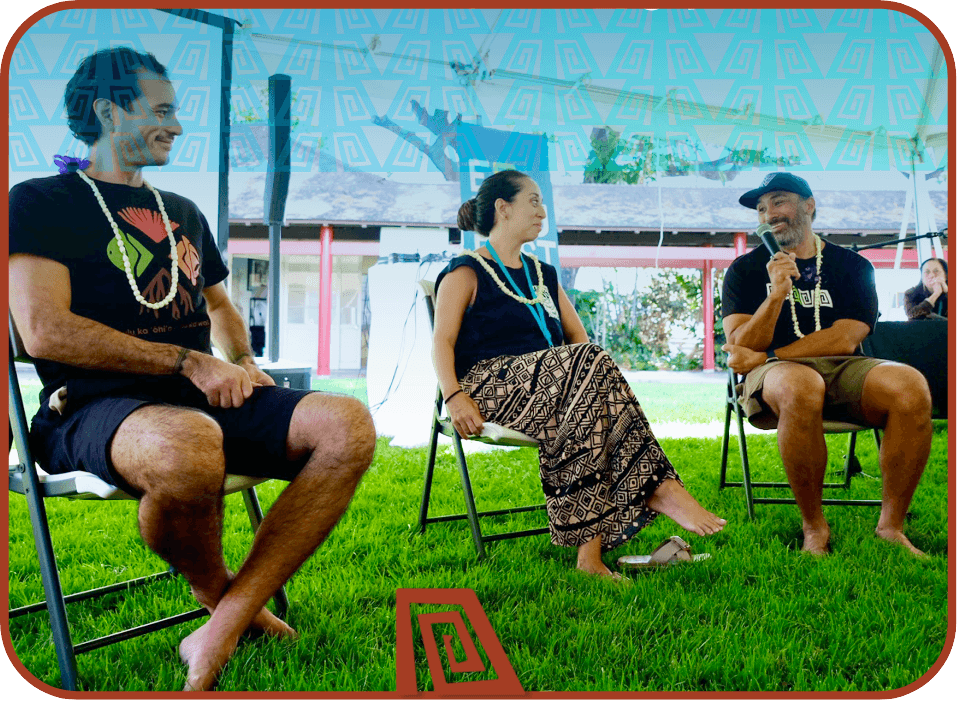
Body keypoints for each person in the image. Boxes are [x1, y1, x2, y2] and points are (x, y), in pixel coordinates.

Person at [8, 48, 376, 691]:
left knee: (346, 423)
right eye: (162, 109)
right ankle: (223, 600)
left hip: (203, 395)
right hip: (94, 404)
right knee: (188, 448)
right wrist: (189, 360)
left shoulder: (182, 208)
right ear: (107, 109)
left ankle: (226, 621)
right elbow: (45, 329)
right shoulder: (40, 202)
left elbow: (219, 303)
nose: (177, 125)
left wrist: (245, 361)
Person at [432, 170, 726, 579]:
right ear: (503, 208)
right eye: (533, 201)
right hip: (489, 387)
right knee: (587, 371)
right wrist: (453, 397)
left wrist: (575, 384)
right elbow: (442, 342)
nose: (542, 210)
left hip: (556, 391)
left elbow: (577, 338)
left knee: (586, 403)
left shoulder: (543, 275)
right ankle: (658, 487)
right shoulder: (466, 270)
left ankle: (591, 559)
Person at [721, 172, 932, 556]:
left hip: (838, 366)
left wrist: (772, 354)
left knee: (910, 384)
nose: (769, 213)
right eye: (761, 208)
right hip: (774, 378)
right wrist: (776, 296)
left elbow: (847, 336)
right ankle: (814, 527)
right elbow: (739, 349)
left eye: (779, 201)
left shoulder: (852, 266)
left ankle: (891, 526)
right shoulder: (745, 270)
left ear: (809, 205)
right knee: (802, 386)